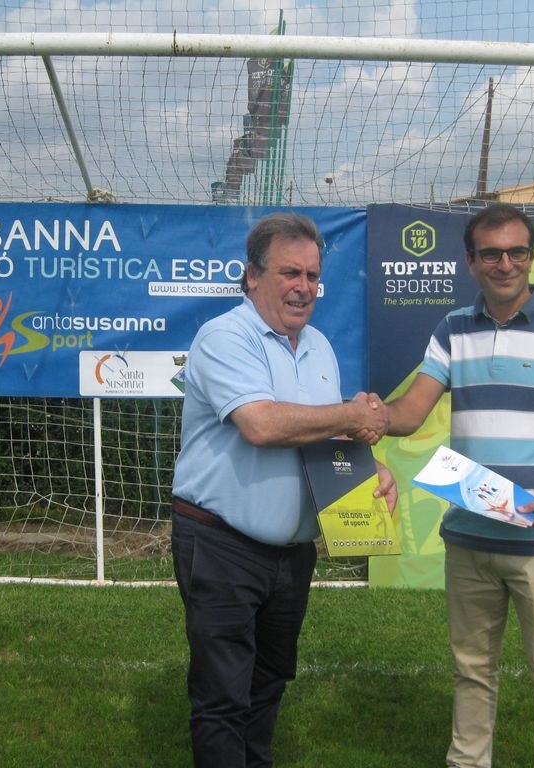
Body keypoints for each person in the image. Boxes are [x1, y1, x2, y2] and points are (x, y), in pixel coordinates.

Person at [382, 203, 534, 768]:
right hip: (470, 538)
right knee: (471, 671)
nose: (505, 264)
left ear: (531, 257)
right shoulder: (452, 328)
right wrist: (355, 416)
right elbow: (409, 413)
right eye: (491, 254)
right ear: (471, 262)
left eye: (516, 252)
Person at [171, 211, 396, 768]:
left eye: (312, 275)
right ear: (252, 276)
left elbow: (324, 434)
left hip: (292, 553)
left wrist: (369, 467)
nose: (304, 287)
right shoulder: (224, 336)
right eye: (290, 272)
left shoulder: (318, 345)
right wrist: (351, 413)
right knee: (223, 695)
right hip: (222, 543)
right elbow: (262, 424)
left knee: (269, 683)